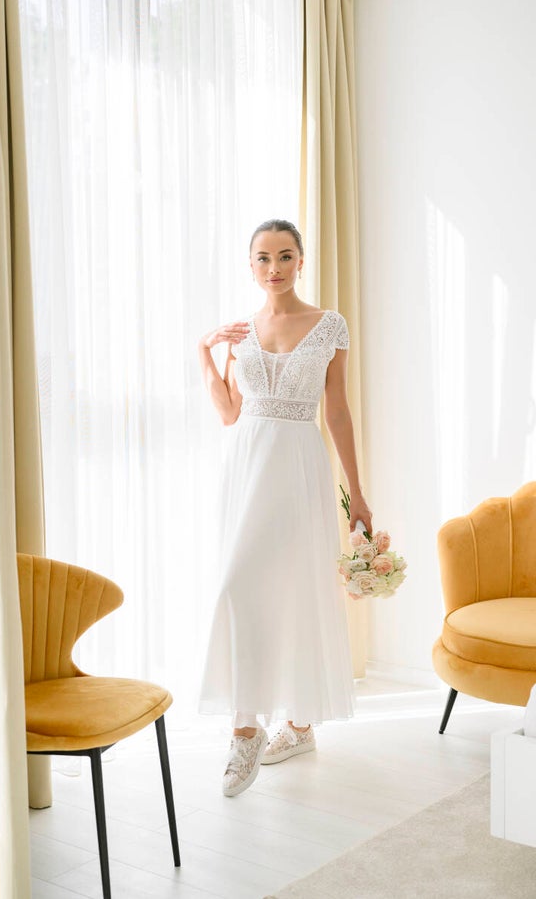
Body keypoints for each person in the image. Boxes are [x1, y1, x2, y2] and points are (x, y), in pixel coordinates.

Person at [197, 219, 372, 797]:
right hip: (247, 467)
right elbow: (229, 412)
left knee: (298, 589)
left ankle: (297, 726)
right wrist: (204, 352)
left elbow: (337, 412)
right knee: (237, 584)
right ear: (250, 265)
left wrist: (357, 493)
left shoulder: (329, 325)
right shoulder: (239, 332)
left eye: (285, 256)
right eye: (263, 258)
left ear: (301, 260)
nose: (274, 267)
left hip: (298, 466)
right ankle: (245, 730)